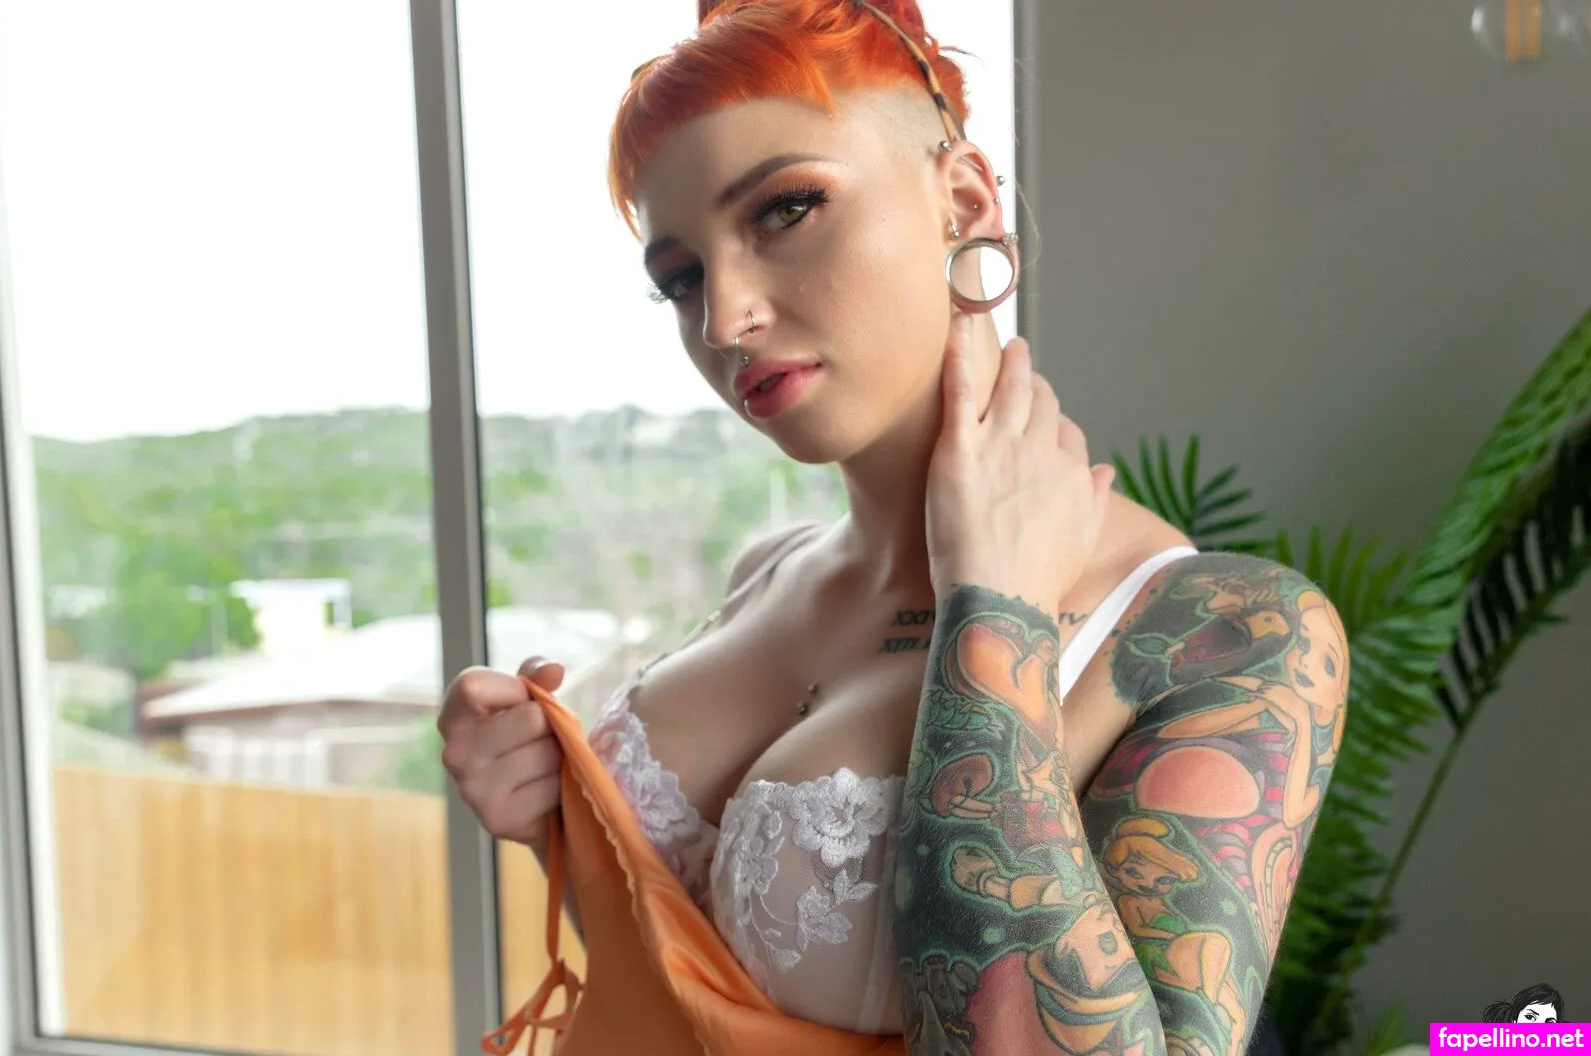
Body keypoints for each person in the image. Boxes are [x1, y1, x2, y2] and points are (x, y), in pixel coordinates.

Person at [437, 1, 1349, 1053]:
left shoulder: (1231, 632)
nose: (725, 318)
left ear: (963, 198)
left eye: (785, 210)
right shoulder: (765, 571)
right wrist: (550, 817)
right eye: (681, 278)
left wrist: (995, 615)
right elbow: (693, 998)